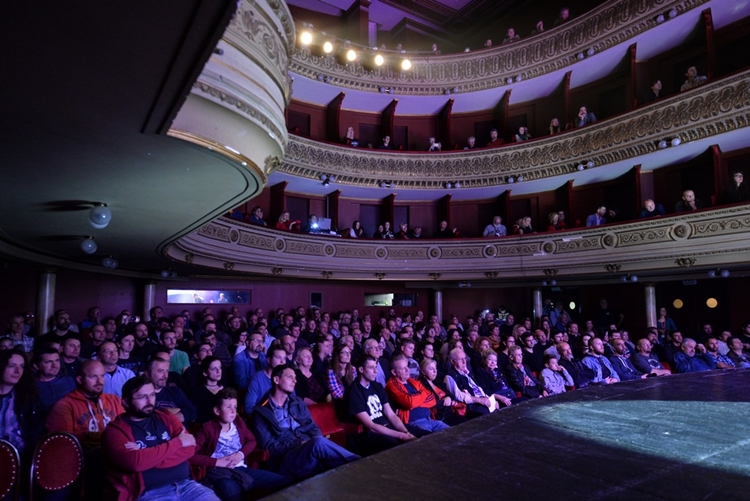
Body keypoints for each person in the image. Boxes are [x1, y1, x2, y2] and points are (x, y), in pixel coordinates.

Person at [102, 376, 220, 501]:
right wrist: (177, 442)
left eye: (152, 395)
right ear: (125, 402)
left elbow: (190, 448)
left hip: (187, 486)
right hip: (150, 493)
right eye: (142, 397)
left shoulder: (166, 416)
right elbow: (136, 463)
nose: (149, 401)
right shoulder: (114, 431)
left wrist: (147, 455)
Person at [252, 365, 359, 477]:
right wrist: (301, 443)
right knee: (318, 443)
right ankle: (360, 462)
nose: (295, 380)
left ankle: (358, 471)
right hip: (285, 459)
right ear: (276, 380)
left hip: (308, 451)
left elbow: (313, 427)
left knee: (334, 464)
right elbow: (270, 447)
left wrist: (309, 443)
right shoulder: (261, 412)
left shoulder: (297, 402)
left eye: (295, 377)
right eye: (290, 377)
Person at [347, 355, 420, 454]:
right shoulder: (354, 392)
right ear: (361, 369)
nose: (375, 371)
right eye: (371, 367)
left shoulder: (377, 386)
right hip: (372, 433)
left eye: (376, 367)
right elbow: (371, 426)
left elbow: (391, 414)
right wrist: (401, 436)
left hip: (389, 426)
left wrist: (405, 432)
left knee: (426, 436)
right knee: (402, 449)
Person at [46, 360, 125, 449]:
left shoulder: (115, 400)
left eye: (102, 376)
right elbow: (64, 443)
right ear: (80, 379)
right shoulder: (65, 406)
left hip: (115, 454)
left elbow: (126, 431)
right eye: (93, 377)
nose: (99, 381)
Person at [0, 350, 45, 464]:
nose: (17, 371)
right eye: (12, 366)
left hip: (19, 456)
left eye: (21, 366)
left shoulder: (28, 397)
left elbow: (35, 431)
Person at [386, 354, 449, 434]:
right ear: (394, 372)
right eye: (403, 368)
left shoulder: (414, 382)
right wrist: (422, 395)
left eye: (407, 366)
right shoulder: (391, 385)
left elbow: (432, 398)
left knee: (453, 434)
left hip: (430, 420)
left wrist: (415, 400)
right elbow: (410, 403)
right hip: (414, 423)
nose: (407, 370)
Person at [147, 357, 197, 424]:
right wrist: (178, 410)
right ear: (147, 374)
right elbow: (146, 417)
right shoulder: (142, 395)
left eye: (167, 371)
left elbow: (192, 411)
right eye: (160, 371)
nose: (165, 375)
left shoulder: (175, 391)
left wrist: (165, 419)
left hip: (180, 433)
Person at [244, 346, 288, 414]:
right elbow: (248, 408)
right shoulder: (257, 379)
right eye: (278, 357)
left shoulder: (288, 378)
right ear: (269, 360)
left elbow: (294, 402)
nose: (282, 361)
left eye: (284, 358)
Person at [190, 356, 225, 424]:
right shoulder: (197, 391)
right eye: (214, 369)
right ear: (205, 373)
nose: (218, 371)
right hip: (207, 427)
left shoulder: (225, 390)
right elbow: (195, 416)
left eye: (220, 367)